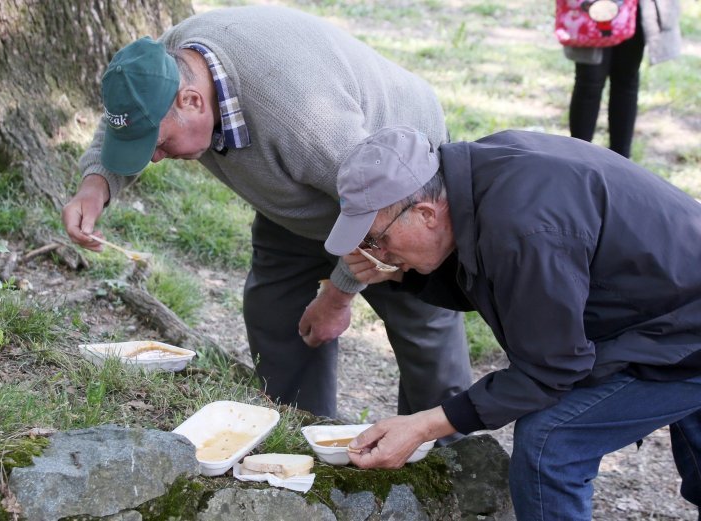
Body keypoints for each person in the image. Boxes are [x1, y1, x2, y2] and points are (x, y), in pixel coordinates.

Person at [61, 6, 472, 422]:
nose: (153, 158)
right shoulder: (161, 67)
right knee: (276, 311)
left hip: (397, 188)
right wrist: (97, 185)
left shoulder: (304, 121)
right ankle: (300, 435)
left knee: (421, 325)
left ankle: (447, 458)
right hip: (307, 191)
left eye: (161, 144)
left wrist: (336, 297)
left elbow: (376, 209)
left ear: (192, 101)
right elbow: (131, 118)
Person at [324, 125, 701, 519]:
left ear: (425, 213)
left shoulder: (524, 229)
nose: (375, 252)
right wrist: (399, 272)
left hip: (683, 326)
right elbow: (498, 280)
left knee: (551, 441)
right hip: (668, 302)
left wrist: (426, 425)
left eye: (376, 239)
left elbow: (551, 370)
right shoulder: (476, 178)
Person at [564, 0, 681, 158]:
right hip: (592, 7)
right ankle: (578, 159)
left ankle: (621, 162)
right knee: (590, 81)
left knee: (626, 79)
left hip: (637, 6)